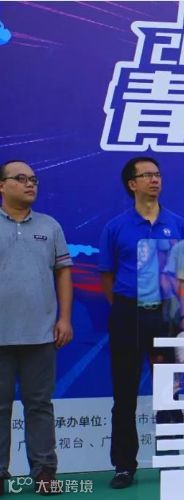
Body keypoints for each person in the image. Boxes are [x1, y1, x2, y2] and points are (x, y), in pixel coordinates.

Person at [98, 157, 184, 489]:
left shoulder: (177, 224)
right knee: (124, 394)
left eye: (157, 174)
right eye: (146, 175)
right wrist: (128, 307)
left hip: (166, 315)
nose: (154, 180)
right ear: (131, 184)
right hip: (127, 314)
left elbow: (183, 276)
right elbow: (107, 277)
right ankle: (124, 466)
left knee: (169, 392)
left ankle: (172, 461)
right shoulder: (115, 227)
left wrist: (182, 316)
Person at [0, 160, 73, 496]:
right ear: (2, 186)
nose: (30, 184)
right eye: (21, 178)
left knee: (40, 405)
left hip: (41, 334)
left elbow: (63, 273)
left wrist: (64, 319)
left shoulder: (50, 226)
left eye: (33, 179)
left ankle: (44, 473)